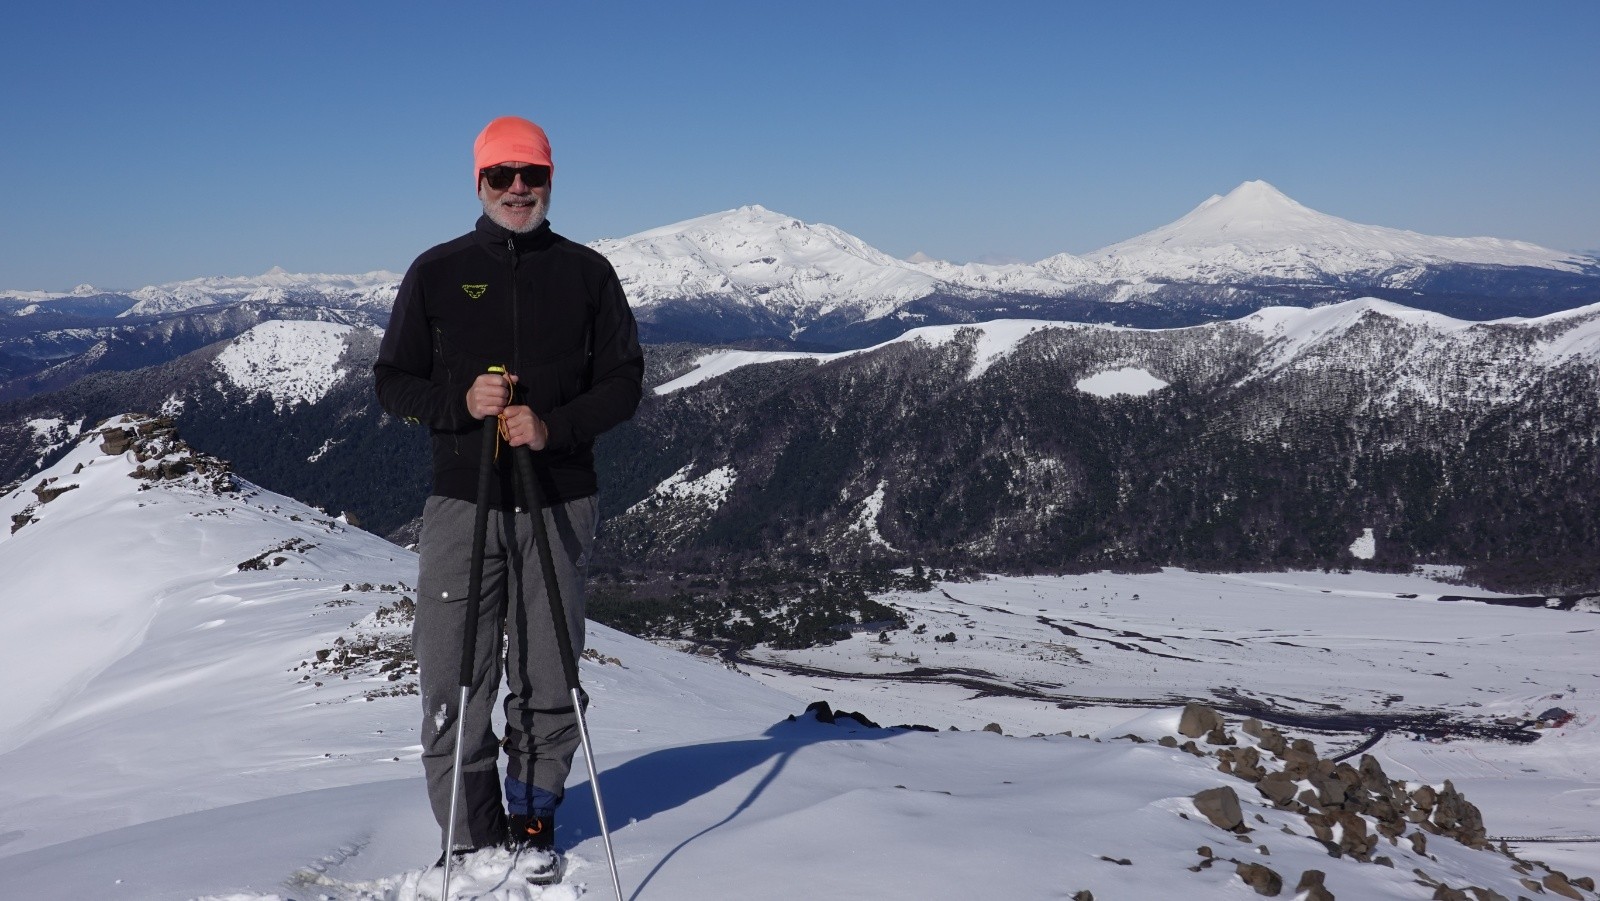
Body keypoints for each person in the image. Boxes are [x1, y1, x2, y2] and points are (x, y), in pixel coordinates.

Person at [374, 116, 644, 863]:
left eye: (532, 174)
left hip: (559, 495)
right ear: (479, 182)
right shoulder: (435, 271)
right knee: (453, 675)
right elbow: (390, 380)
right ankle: (470, 837)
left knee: (547, 670)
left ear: (551, 180)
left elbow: (625, 384)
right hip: (465, 498)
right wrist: (459, 404)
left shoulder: (588, 274)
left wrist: (552, 426)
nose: (518, 188)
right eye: (502, 175)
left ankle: (533, 823)